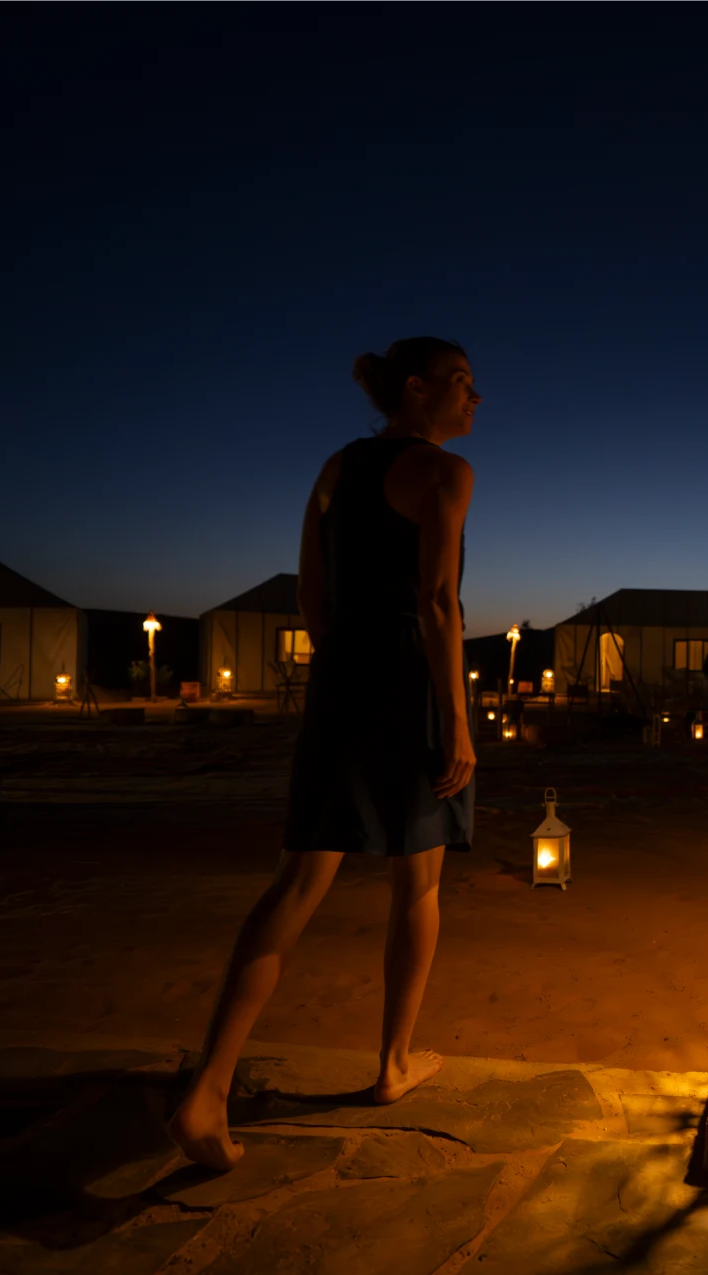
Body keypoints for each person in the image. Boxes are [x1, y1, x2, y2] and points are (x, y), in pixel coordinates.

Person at [169, 338, 479, 1170]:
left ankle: (208, 1086)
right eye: (461, 383)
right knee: (419, 876)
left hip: (342, 674)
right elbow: (439, 599)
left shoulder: (335, 468)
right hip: (415, 681)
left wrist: (343, 664)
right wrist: (455, 718)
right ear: (417, 391)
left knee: (299, 879)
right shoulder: (448, 475)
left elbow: (310, 590)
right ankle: (391, 1063)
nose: (475, 399)